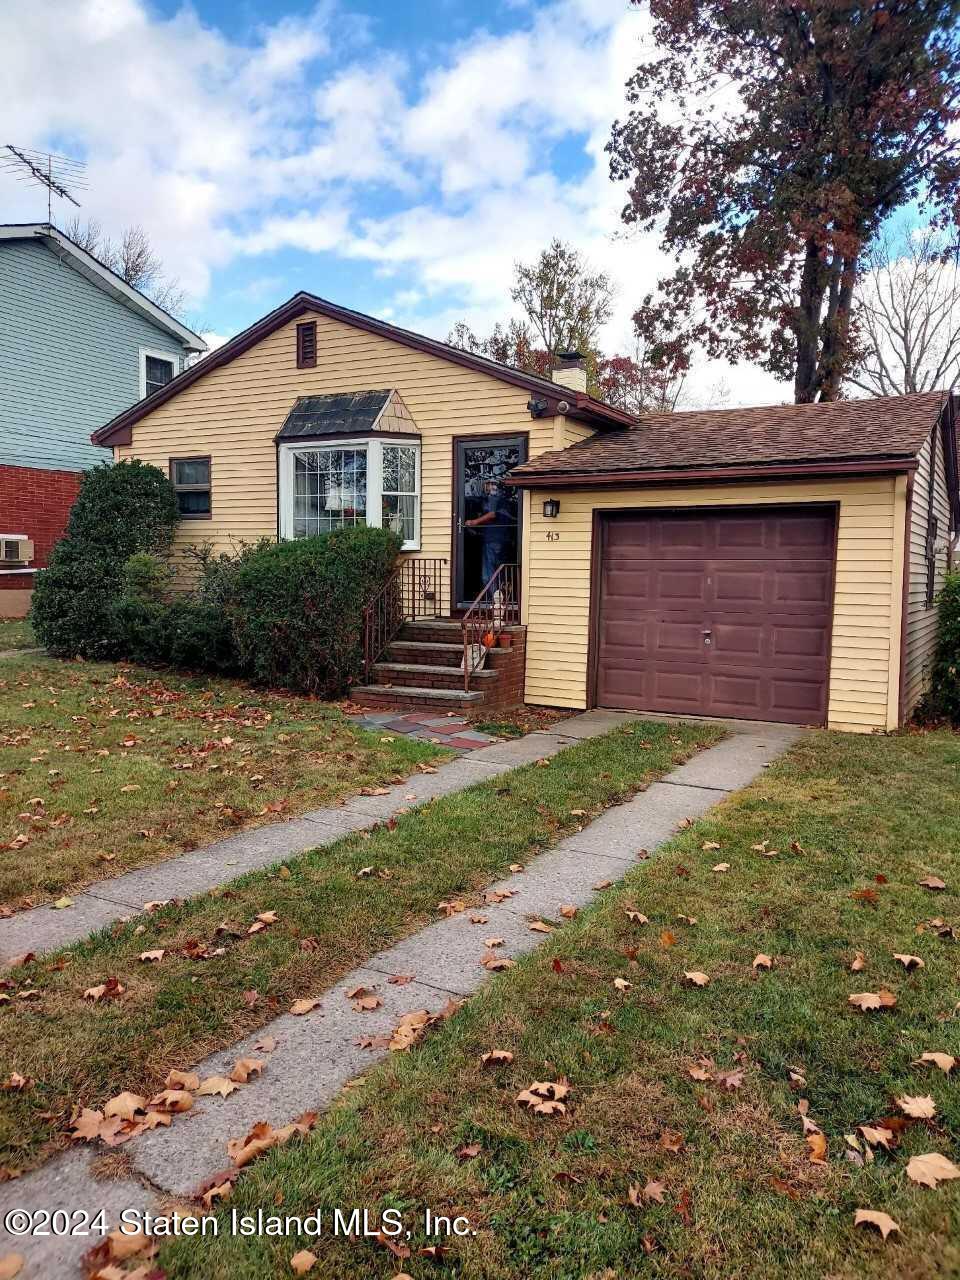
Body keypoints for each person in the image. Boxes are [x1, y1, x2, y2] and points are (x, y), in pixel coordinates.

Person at [465, 478, 514, 584]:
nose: (491, 487)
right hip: (502, 540)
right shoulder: (502, 501)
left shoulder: (493, 498)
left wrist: (474, 522)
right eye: (489, 484)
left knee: (488, 575)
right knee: (499, 573)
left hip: (493, 542)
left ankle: (494, 600)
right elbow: (497, 521)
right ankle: (500, 597)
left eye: (491, 484)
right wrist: (478, 532)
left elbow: (492, 514)